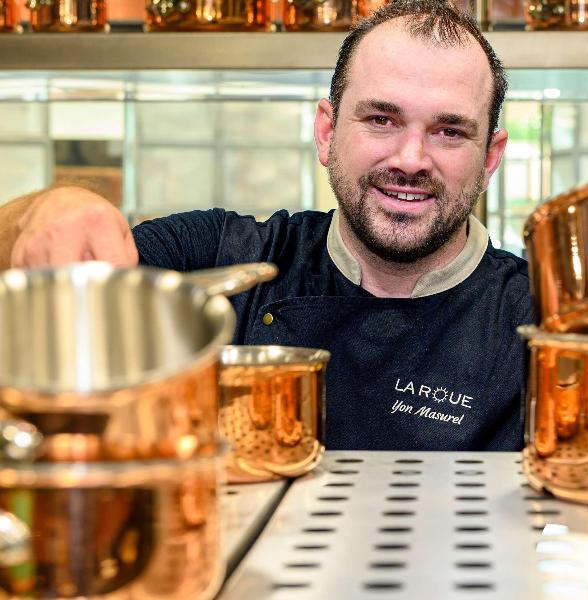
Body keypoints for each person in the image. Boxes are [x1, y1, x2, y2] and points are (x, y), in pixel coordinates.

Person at [0, 0, 534, 451]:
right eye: (381, 120)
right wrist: (43, 212)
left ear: (491, 157)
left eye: (449, 131)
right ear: (326, 132)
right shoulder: (219, 254)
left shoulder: (538, 318)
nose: (411, 159)